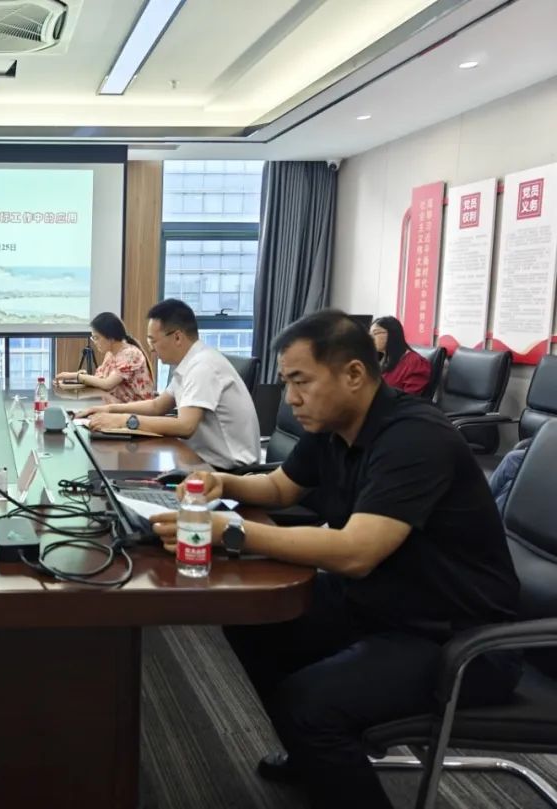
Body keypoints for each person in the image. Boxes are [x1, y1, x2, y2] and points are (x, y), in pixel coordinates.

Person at [148, 309, 521, 809]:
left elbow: (356, 552)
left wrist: (232, 532)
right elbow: (281, 488)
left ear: (354, 374)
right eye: (286, 382)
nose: (290, 397)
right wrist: (223, 482)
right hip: (384, 603)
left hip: (460, 638)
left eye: (300, 381)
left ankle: (316, 738)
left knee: (310, 704)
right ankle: (314, 753)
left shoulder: (414, 438)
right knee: (252, 618)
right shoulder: (334, 425)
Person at [79, 299, 259, 470]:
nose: (151, 348)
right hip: (199, 458)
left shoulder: (203, 366)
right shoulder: (189, 363)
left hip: (226, 470)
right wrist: (109, 409)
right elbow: (157, 406)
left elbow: (185, 426)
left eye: (153, 341)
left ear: (177, 337)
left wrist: (124, 421)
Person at [53, 312, 154, 404]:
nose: (95, 342)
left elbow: (107, 384)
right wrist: (68, 384)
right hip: (117, 407)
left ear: (111, 337)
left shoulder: (130, 354)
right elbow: (99, 381)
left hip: (135, 411)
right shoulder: (110, 354)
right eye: (93, 338)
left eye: (96, 338)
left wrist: (75, 376)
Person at [369, 315, 431, 396]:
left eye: (375, 333)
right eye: (370, 335)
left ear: (393, 334)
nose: (371, 338)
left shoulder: (415, 363)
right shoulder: (384, 359)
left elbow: (409, 399)